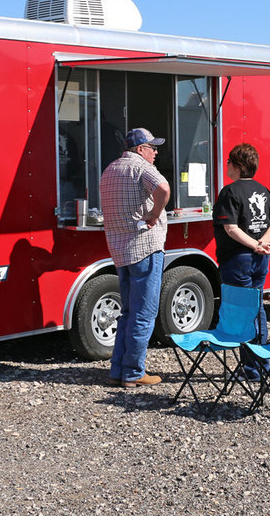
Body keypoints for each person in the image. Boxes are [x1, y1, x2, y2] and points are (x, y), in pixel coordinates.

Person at [100, 127, 171, 388]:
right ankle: (133, 372)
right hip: (145, 247)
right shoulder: (141, 167)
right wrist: (154, 213)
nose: (156, 152)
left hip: (120, 251)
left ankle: (117, 370)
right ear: (140, 149)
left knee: (128, 312)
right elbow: (163, 188)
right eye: (152, 147)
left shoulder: (110, 169)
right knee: (144, 313)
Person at [213, 143, 270, 379]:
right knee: (257, 307)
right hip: (258, 259)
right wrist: (261, 243)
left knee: (244, 311)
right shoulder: (264, 191)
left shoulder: (230, 192)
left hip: (237, 259)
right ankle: (259, 363)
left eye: (230, 162)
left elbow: (231, 228)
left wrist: (256, 244)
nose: (227, 165)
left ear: (240, 166)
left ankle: (253, 367)